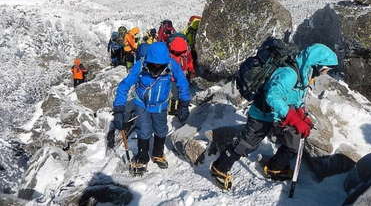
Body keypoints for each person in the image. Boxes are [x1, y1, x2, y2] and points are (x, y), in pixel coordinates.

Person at [210, 43, 338, 189]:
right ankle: (219, 169)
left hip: (279, 114)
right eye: (326, 69)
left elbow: (297, 96)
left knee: (293, 142)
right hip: (262, 113)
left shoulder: (305, 73)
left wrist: (301, 115)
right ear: (316, 64)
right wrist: (293, 117)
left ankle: (275, 168)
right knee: (246, 145)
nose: (325, 73)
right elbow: (272, 96)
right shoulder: (289, 73)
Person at [112, 42, 191, 175]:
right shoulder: (141, 65)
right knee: (144, 129)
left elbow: (182, 82)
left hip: (161, 105)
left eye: (160, 65)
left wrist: (184, 103)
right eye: (154, 64)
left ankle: (158, 153)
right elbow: (124, 86)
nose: (157, 67)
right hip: (141, 103)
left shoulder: (171, 65)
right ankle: (143, 157)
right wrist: (119, 109)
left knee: (161, 130)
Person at [167, 35, 195, 115]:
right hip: (173, 77)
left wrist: (191, 70)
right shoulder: (170, 53)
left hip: (183, 74)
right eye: (177, 52)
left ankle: (181, 105)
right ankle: (172, 109)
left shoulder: (186, 52)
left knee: (183, 90)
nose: (178, 53)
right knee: (174, 93)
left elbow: (189, 61)